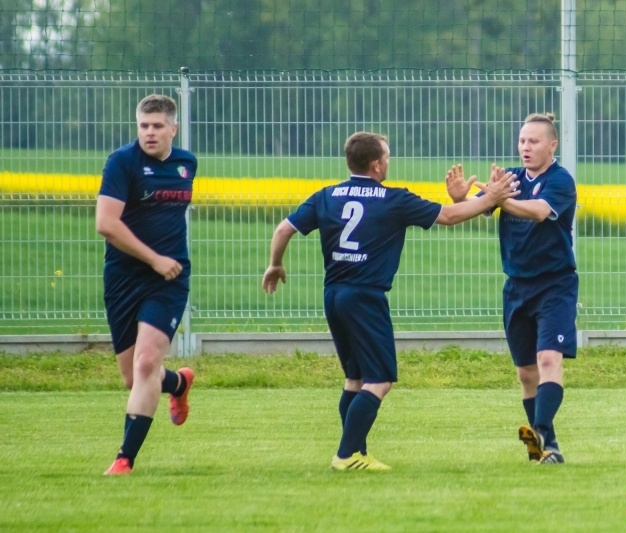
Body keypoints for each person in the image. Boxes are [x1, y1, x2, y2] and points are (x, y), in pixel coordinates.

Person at [262, 131, 519, 471]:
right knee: (380, 380)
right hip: (366, 298)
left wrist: (275, 264)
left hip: (334, 295)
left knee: (355, 379)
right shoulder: (392, 199)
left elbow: (283, 230)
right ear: (376, 163)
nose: (388, 162)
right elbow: (448, 217)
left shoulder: (327, 195)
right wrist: (492, 198)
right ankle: (346, 455)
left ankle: (358, 454)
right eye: (387, 157)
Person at [447, 113, 578, 465]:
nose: (525, 147)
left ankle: (539, 431)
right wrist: (462, 199)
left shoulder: (561, 181)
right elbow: (477, 207)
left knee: (549, 359)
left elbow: (536, 211)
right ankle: (546, 447)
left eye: (533, 141)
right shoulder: (510, 179)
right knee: (525, 373)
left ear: (553, 145)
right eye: (522, 141)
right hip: (516, 287)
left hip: (555, 285)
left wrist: (498, 199)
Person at [95, 94, 198, 476]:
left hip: (169, 278)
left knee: (146, 363)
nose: (149, 133)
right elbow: (106, 224)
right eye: (143, 125)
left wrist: (163, 262)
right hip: (123, 278)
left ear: (174, 128)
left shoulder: (188, 164)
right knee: (133, 377)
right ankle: (178, 384)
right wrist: (152, 257)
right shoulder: (122, 162)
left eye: (157, 126)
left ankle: (124, 459)